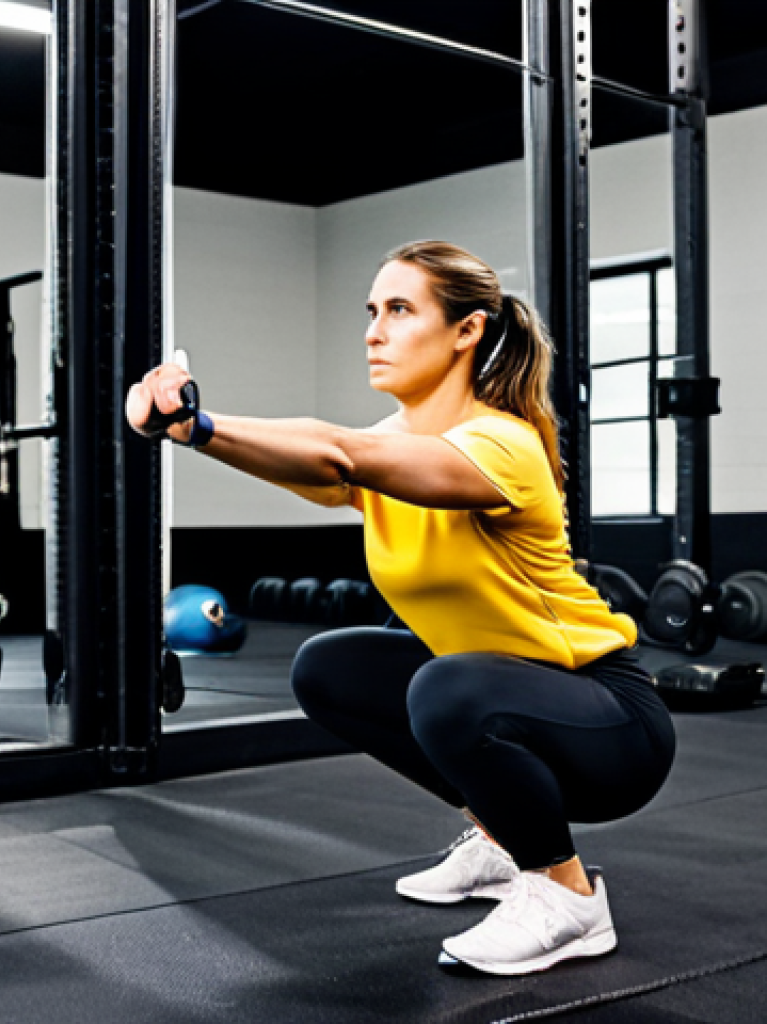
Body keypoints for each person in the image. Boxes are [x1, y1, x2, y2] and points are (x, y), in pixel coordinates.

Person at [125, 240, 676, 976]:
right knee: (331, 668)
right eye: (370, 311)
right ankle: (498, 838)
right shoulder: (386, 442)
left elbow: (339, 455)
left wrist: (199, 425)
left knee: (444, 685)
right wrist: (184, 428)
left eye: (398, 310)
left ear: (467, 331)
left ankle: (567, 895)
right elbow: (316, 456)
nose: (372, 331)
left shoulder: (502, 443)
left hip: (610, 724)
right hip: (505, 694)